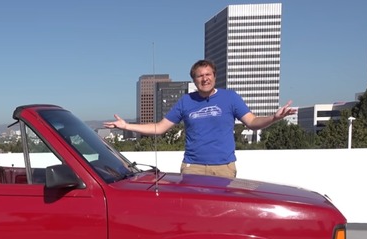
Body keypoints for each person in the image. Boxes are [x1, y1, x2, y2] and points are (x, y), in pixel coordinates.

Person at [104, 59, 297, 178]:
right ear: (194, 80)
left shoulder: (230, 97)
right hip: (192, 168)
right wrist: (127, 125)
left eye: (208, 74)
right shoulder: (185, 101)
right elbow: (160, 127)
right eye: (199, 76)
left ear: (214, 76)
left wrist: (274, 118)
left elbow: (252, 122)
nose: (204, 79)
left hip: (223, 168)